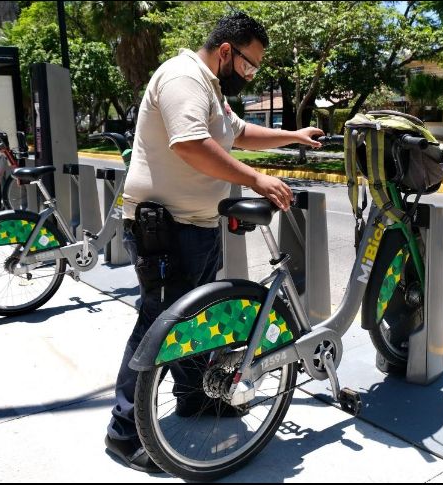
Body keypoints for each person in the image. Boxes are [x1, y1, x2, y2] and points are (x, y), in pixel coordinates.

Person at [104, 11, 323, 473]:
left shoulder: (212, 87)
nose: (251, 74)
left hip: (195, 227)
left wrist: (292, 136)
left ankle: (190, 396)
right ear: (227, 51)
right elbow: (190, 144)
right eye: (250, 65)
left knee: (189, 321)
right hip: (165, 228)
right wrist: (255, 179)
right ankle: (125, 433)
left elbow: (238, 133)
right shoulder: (183, 77)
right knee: (156, 326)